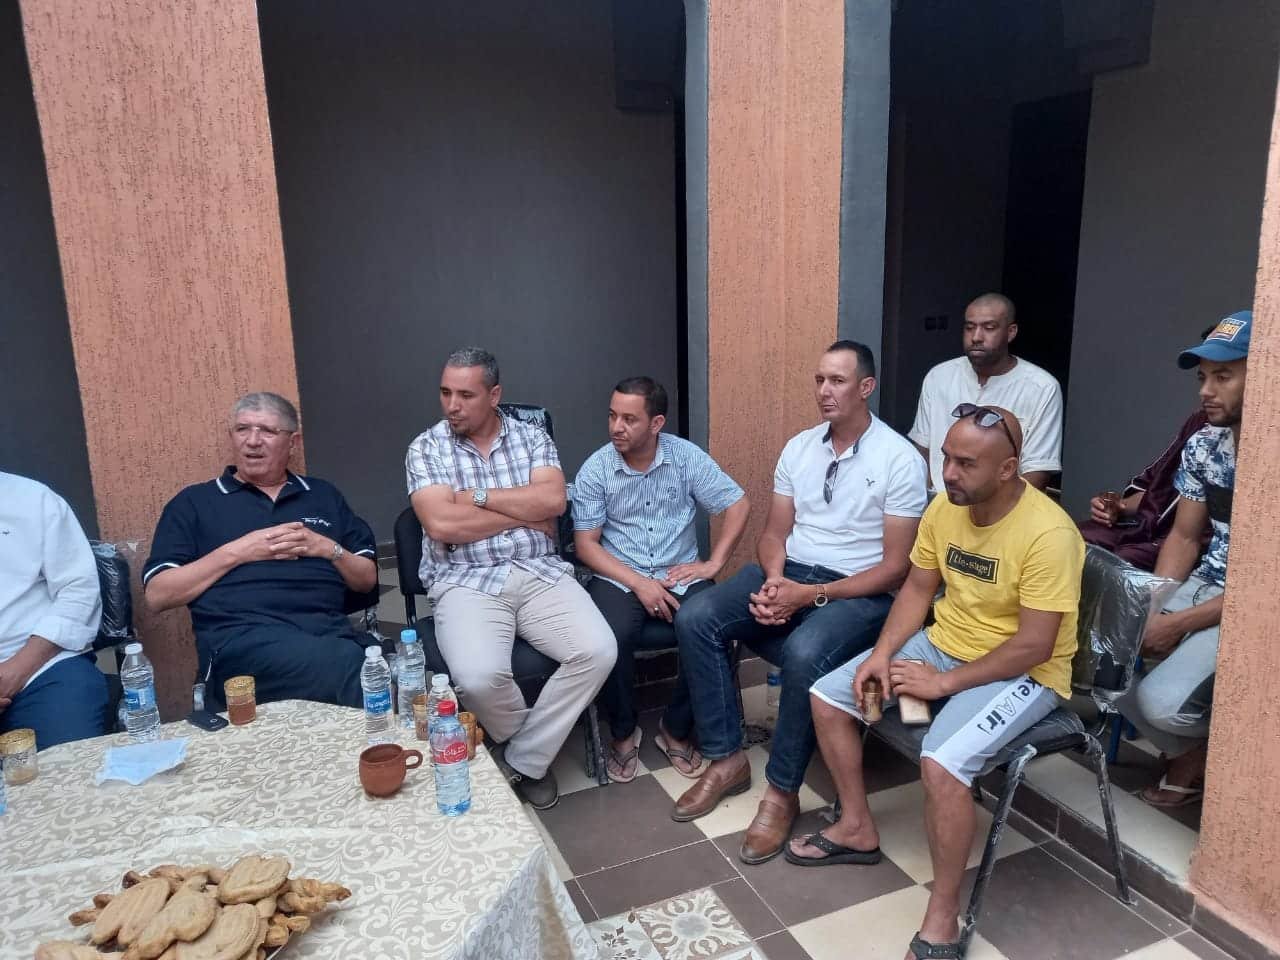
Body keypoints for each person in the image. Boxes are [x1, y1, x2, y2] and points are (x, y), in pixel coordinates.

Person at [794, 405, 1083, 960]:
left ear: (1008, 469)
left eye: (966, 463)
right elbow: (917, 589)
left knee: (942, 763)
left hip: (1024, 673)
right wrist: (882, 656)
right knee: (833, 696)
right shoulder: (947, 507)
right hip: (942, 646)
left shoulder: (1049, 534)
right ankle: (856, 826)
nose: (948, 473)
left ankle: (943, 917)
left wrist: (942, 685)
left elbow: (1035, 645)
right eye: (946, 458)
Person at [670, 340, 927, 864]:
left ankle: (782, 791)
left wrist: (808, 596)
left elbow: (896, 569)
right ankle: (725, 759)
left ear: (866, 388)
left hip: (860, 590)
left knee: (805, 652)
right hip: (792, 572)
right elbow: (773, 534)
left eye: (837, 381)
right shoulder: (800, 447)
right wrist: (774, 581)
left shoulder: (898, 459)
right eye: (819, 380)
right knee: (697, 615)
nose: (824, 391)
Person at [406, 348, 616, 810]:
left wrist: (476, 498)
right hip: (465, 579)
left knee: (599, 651)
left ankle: (522, 757)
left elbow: (553, 502)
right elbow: (442, 525)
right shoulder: (427, 447)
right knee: (478, 678)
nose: (452, 405)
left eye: (466, 395)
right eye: (445, 392)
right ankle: (531, 749)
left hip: (540, 572)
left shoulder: (532, 438)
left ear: (494, 394)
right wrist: (523, 514)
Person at [144, 392, 378, 709]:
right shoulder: (194, 503)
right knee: (355, 668)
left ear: (293, 442)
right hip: (240, 643)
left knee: (385, 669)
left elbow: (366, 580)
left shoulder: (323, 495)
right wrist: (239, 551)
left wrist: (327, 548)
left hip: (329, 634)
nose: (252, 441)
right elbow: (157, 595)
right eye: (242, 429)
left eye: (267, 431)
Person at [572, 376, 750, 782]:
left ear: (656, 424)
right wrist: (639, 582)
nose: (617, 427)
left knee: (712, 627)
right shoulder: (597, 468)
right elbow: (586, 545)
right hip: (620, 573)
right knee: (608, 636)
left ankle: (675, 727)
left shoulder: (684, 457)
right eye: (613, 416)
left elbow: (738, 504)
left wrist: (713, 564)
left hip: (679, 570)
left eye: (629, 419)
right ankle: (623, 732)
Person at [1117, 311, 1249, 809]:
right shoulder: (1205, 444)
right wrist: (1155, 606)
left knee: (1161, 704)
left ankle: (1212, 753)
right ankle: (1192, 751)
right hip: (1206, 581)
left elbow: (1266, 587)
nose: (1206, 392)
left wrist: (1180, 624)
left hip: (1251, 606)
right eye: (1203, 378)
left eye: (1223, 377)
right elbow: (1186, 536)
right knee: (1097, 663)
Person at [909, 293, 1063, 491]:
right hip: (940, 501)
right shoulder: (939, 377)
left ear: (1011, 332)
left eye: (989, 328)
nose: (976, 337)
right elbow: (922, 451)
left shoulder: (1042, 387)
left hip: (1005, 507)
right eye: (969, 327)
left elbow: (1037, 472)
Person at [0, 472, 109, 749]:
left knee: (68, 764)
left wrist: (16, 670)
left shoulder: (34, 499)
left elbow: (79, 589)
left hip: (41, 667)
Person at [1078, 409, 1208, 570]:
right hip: (1147, 526)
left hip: (1189, 543)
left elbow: (1187, 537)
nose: (1206, 395)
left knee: (1122, 561)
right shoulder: (1199, 421)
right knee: (1073, 537)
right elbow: (1156, 491)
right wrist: (1117, 506)